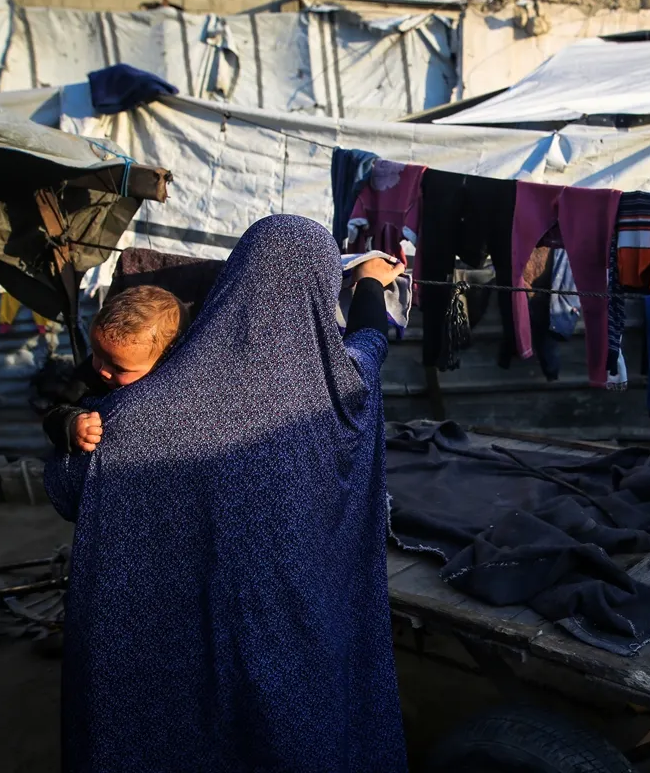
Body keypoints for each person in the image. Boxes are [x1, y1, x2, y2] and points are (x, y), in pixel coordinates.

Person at [44, 215, 408, 773]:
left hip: (187, 633)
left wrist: (69, 429)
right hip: (294, 617)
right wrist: (368, 286)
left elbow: (71, 488)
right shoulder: (337, 388)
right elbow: (368, 343)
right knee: (295, 728)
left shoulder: (137, 413)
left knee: (194, 728)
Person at [42, 285, 185, 453]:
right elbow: (55, 412)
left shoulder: (177, 389)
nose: (102, 370)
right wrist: (72, 424)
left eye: (119, 368)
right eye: (96, 354)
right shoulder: (88, 376)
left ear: (163, 363)